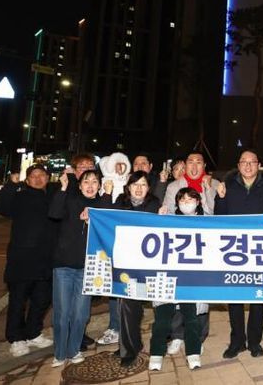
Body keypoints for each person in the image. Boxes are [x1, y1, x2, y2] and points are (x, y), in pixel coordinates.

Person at [0, 165, 57, 357]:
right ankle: (16, 338)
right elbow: (0, 207)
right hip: (22, 259)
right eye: (33, 176)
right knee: (18, 301)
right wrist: (11, 185)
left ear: (48, 177)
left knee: (41, 300)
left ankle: (33, 333)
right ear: (27, 180)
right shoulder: (20, 196)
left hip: (46, 260)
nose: (38, 178)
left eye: (41, 175)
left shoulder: (52, 196)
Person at [49, 168, 108, 368]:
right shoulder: (71, 200)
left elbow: (108, 228)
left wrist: (94, 219)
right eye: (86, 182)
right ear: (80, 185)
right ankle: (59, 353)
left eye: (94, 182)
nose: (90, 186)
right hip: (63, 266)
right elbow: (54, 213)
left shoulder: (102, 205)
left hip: (87, 268)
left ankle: (73, 350)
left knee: (81, 314)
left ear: (99, 186)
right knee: (62, 313)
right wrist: (63, 188)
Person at [214, 149, 263, 359]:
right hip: (235, 249)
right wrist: (220, 198)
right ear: (238, 165)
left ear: (259, 165)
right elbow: (219, 217)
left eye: (252, 162)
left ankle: (254, 342)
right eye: (243, 162)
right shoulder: (228, 185)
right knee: (235, 296)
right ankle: (237, 341)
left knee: (257, 297)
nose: (247, 165)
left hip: (260, 249)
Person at [162, 151, 219, 351]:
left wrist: (206, 190)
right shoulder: (173, 187)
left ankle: (197, 337)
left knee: (201, 293)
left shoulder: (214, 184)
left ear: (204, 165)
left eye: (199, 162)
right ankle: (177, 335)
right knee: (179, 290)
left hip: (204, 247)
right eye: (190, 162)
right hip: (179, 247)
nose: (194, 166)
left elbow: (215, 214)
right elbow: (168, 213)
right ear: (185, 165)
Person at [149, 188, 205, 371]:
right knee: (162, 319)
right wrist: (159, 219)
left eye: (190, 199)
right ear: (177, 203)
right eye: (182, 199)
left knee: (191, 319)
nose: (186, 202)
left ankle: (193, 353)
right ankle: (156, 354)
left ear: (198, 202)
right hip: (167, 277)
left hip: (191, 279)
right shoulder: (168, 221)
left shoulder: (207, 223)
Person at [111, 172, 162, 367]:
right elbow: (107, 221)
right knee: (127, 306)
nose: (139, 188)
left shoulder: (155, 205)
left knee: (159, 305)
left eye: (143, 184)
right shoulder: (120, 203)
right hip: (127, 264)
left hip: (150, 265)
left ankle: (163, 341)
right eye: (135, 184)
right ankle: (129, 348)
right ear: (128, 187)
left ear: (149, 188)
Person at [95, 151, 132, 347]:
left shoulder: (130, 184)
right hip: (110, 243)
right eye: (116, 165)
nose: (119, 168)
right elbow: (103, 213)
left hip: (131, 245)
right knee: (114, 287)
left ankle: (128, 329)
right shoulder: (104, 184)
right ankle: (115, 327)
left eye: (122, 165)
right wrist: (107, 192)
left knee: (129, 288)